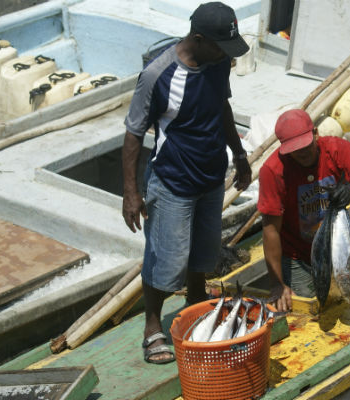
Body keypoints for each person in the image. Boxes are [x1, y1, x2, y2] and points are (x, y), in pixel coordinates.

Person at [121, 2, 252, 364]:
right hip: (173, 181)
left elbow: (221, 107)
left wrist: (239, 155)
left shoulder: (219, 62)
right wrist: (131, 194)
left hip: (212, 178)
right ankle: (152, 326)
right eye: (220, 46)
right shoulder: (157, 75)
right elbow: (133, 134)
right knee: (166, 261)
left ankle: (197, 303)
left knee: (204, 254)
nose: (227, 55)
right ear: (198, 39)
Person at [257, 109, 350, 312]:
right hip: (296, 256)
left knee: (345, 299)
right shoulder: (273, 170)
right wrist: (277, 283)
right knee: (314, 310)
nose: (301, 153)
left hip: (336, 246)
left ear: (316, 134)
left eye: (305, 145)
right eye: (295, 149)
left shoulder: (335, 148)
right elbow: (271, 230)